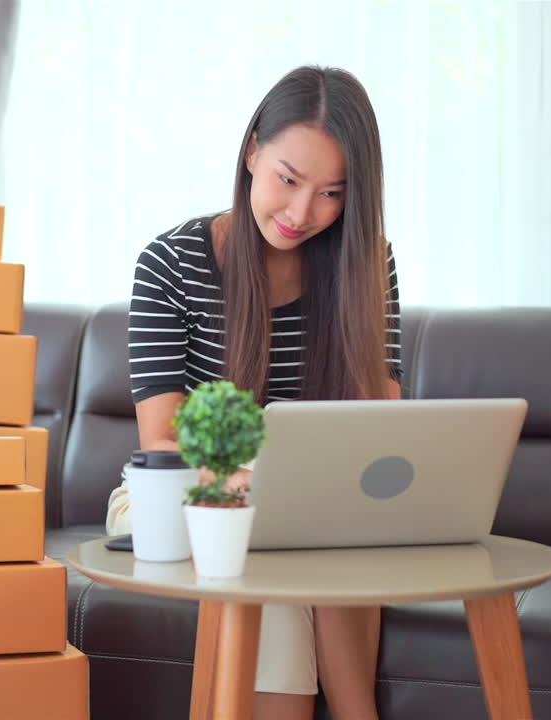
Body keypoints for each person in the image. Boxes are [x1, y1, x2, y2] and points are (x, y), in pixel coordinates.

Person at [108, 65, 403, 720]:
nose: (303, 214)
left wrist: (305, 500)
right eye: (288, 181)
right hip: (180, 494)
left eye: (332, 194)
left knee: (312, 538)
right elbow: (161, 438)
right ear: (251, 153)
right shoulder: (173, 262)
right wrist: (266, 490)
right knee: (266, 541)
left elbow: (381, 431)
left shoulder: (366, 264)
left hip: (313, 513)